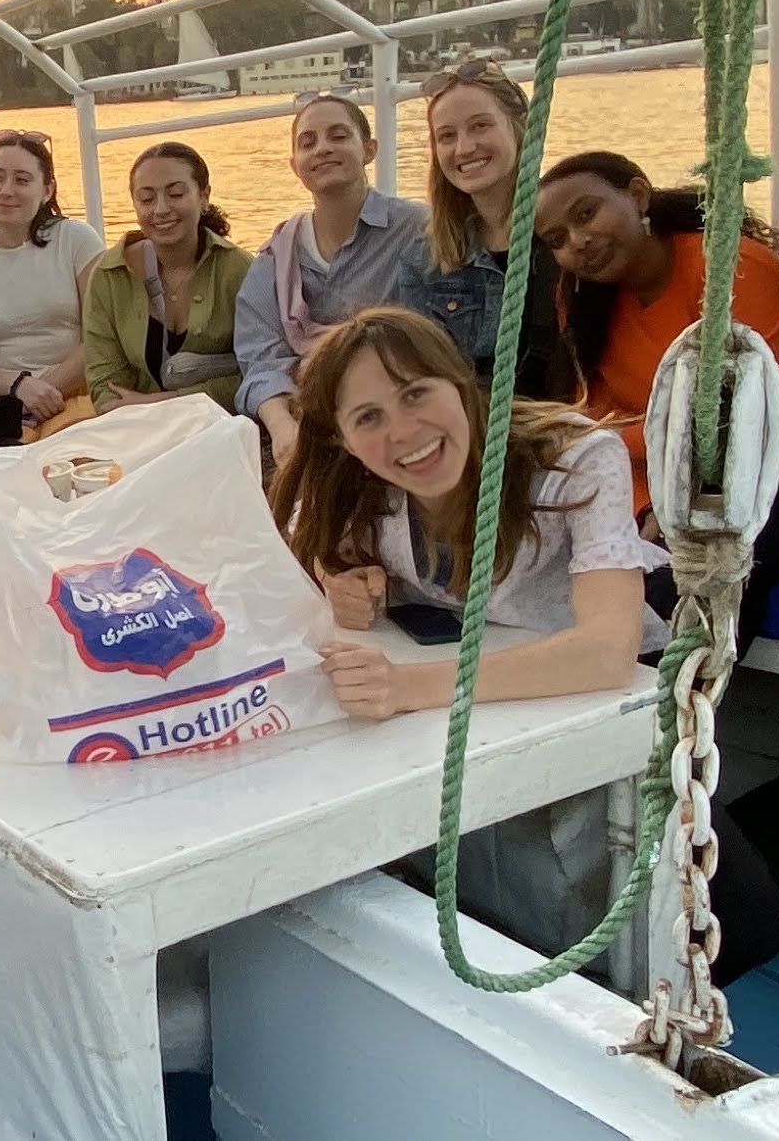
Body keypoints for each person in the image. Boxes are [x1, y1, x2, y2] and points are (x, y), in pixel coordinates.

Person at [273, 306, 661, 958]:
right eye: (367, 417)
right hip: (475, 699)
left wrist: (406, 686)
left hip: (594, 705)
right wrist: (333, 573)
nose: (403, 431)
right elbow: (295, 541)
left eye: (415, 392)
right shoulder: (353, 482)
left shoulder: (573, 458)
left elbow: (607, 650)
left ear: (461, 383)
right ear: (341, 438)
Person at [534, 148, 779, 641]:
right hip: (675, 475)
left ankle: (682, 703)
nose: (578, 242)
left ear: (638, 195)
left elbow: (770, 433)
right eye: (557, 239)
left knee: (701, 578)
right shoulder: (583, 299)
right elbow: (598, 416)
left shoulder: (731, 267)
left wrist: (671, 489)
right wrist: (650, 503)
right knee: (566, 560)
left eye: (587, 214)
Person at [236, 93, 424, 466]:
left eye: (338, 136)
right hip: (303, 418)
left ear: (369, 150)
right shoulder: (277, 255)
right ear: (295, 165)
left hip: (392, 414)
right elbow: (260, 357)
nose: (322, 149)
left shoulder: (417, 232)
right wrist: (282, 426)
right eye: (309, 142)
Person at [388, 57, 576, 401]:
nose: (464, 148)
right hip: (477, 432)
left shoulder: (568, 233)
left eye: (480, 126)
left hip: (568, 424)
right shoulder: (425, 258)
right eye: (447, 136)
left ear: (520, 128)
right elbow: (423, 375)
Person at [0, 127, 105, 444]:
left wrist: (46, 390)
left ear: (47, 190)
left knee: (73, 458)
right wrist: (22, 388)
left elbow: (100, 337)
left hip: (79, 390)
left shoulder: (77, 241)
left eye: (22, 180)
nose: (6, 190)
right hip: (7, 404)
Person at [80, 142, 254, 422]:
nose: (161, 209)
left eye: (175, 194)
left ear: (204, 196)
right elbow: (105, 384)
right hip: (136, 430)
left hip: (222, 428)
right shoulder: (110, 275)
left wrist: (161, 402)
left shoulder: (241, 271)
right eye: (147, 199)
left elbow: (258, 373)